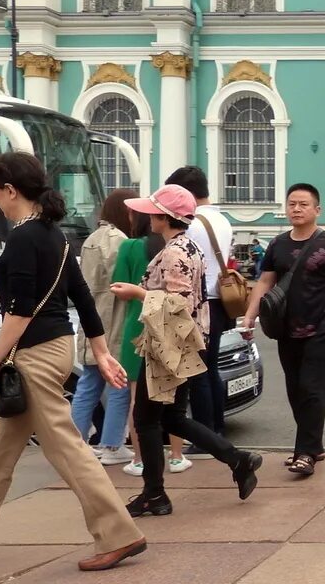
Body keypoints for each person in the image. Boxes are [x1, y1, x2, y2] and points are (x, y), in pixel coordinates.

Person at [0, 153, 145, 573]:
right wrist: (102, 351)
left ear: (9, 190)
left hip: (33, 352)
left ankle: (119, 534)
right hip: (55, 347)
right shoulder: (55, 235)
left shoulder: (24, 237)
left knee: (67, 447)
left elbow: (20, 308)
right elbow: (83, 298)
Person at [112, 185, 262, 517]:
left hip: (169, 344)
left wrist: (138, 292)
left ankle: (155, 494)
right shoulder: (189, 247)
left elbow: (176, 303)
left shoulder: (175, 252)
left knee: (146, 420)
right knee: (172, 417)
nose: (147, 216)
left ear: (165, 217)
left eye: (152, 211)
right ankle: (237, 459)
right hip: (180, 343)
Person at [242, 184, 325, 475]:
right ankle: (314, 445)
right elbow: (265, 282)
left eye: (303, 204)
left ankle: (305, 453)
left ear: (317, 210)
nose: (296, 209)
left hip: (320, 327)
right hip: (285, 328)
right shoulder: (277, 245)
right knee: (295, 389)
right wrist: (249, 316)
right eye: (292, 204)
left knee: (312, 388)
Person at [165, 166, 232, 450]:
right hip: (220, 302)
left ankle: (205, 434)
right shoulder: (223, 220)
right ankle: (217, 427)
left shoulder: (191, 224)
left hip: (197, 303)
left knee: (197, 372)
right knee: (211, 367)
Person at [71, 188, 137, 467]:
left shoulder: (91, 239)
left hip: (91, 322)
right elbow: (119, 282)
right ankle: (112, 445)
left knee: (88, 384)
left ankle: (73, 444)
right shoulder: (119, 240)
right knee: (119, 385)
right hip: (114, 322)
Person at [115, 210, 169, 478]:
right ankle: (177, 455)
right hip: (169, 328)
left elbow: (119, 287)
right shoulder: (175, 247)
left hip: (137, 325)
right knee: (171, 400)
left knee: (137, 399)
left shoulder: (130, 247)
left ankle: (139, 459)